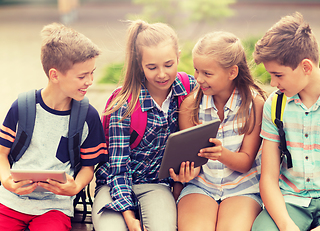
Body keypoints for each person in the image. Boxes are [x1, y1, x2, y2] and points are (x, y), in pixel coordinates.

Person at [251, 12, 320, 231]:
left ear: (306, 67)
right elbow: (269, 179)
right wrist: (285, 225)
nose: (272, 83)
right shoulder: (275, 105)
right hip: (290, 202)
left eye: (278, 75)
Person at [0, 23, 108, 231]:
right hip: (10, 201)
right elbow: (1, 154)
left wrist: (75, 186)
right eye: (82, 76)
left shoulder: (88, 116)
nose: (90, 81)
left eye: (92, 73)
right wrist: (6, 180)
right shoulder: (22, 107)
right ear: (55, 75)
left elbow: (88, 167)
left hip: (55, 208)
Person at [92, 19, 197, 231]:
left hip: (156, 185)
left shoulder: (188, 89)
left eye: (169, 64)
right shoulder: (124, 105)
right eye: (152, 67)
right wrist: (130, 219)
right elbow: (118, 170)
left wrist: (186, 175)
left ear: (178, 57)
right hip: (114, 184)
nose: (161, 74)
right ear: (140, 65)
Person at [176, 31, 266, 231]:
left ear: (232, 72)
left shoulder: (255, 104)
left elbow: (245, 162)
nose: (198, 79)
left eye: (207, 73)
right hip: (201, 187)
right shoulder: (190, 105)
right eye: (196, 70)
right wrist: (185, 173)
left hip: (243, 188)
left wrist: (221, 154)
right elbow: (194, 165)